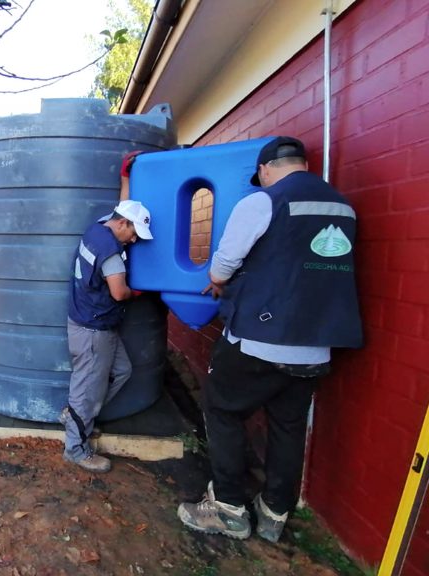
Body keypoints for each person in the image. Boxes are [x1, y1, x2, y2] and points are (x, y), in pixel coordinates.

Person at [177, 136, 363, 541]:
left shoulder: (263, 201)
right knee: (288, 426)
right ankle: (274, 512)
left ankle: (228, 508)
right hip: (316, 344)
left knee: (222, 409)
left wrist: (218, 281)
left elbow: (224, 264)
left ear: (264, 170)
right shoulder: (342, 207)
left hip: (260, 338)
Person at [62, 154, 152, 473]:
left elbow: (124, 206)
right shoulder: (112, 251)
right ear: (123, 225)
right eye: (134, 235)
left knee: (122, 371)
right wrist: (138, 291)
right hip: (93, 331)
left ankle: (77, 414)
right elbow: (118, 292)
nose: (134, 241)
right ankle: (76, 447)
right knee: (87, 389)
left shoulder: (100, 227)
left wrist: (125, 177)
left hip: (91, 323)